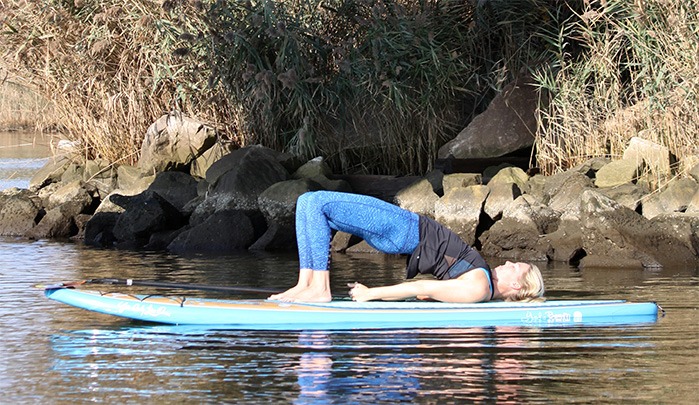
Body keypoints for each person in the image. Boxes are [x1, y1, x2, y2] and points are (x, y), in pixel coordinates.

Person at [269, 191, 545, 303]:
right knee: (307, 202)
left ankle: (320, 288)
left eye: (515, 267)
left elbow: (420, 287)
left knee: (317, 203)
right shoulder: (479, 283)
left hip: (406, 230)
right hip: (404, 236)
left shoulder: (480, 287)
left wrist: (371, 293)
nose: (508, 263)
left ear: (518, 287)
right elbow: (434, 288)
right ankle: (305, 284)